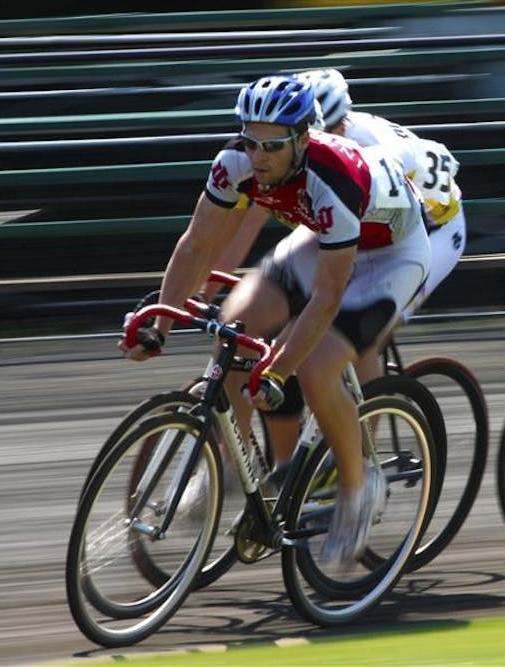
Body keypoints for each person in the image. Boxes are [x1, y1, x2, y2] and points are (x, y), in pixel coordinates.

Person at [120, 74, 432, 566]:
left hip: (392, 255)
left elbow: (328, 298)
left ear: (302, 139)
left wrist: (279, 369)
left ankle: (358, 486)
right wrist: (161, 322)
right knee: (235, 325)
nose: (259, 156)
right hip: (326, 240)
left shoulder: (333, 177)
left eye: (273, 145)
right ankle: (229, 463)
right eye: (250, 140)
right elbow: (198, 243)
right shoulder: (235, 161)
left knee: (314, 368)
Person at [203, 68, 467, 467]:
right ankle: (272, 467)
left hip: (429, 232)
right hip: (348, 225)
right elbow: (246, 225)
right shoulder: (279, 154)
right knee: (256, 315)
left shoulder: (369, 149)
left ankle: (363, 459)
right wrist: (206, 291)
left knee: (357, 334)